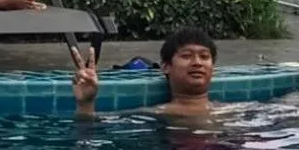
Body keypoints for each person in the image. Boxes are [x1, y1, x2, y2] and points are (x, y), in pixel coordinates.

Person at [72, 27, 218, 119]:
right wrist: (85, 103)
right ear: (166, 67)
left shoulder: (234, 110)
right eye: (186, 56)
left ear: (213, 68)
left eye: (204, 57)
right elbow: (90, 129)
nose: (197, 62)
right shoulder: (151, 115)